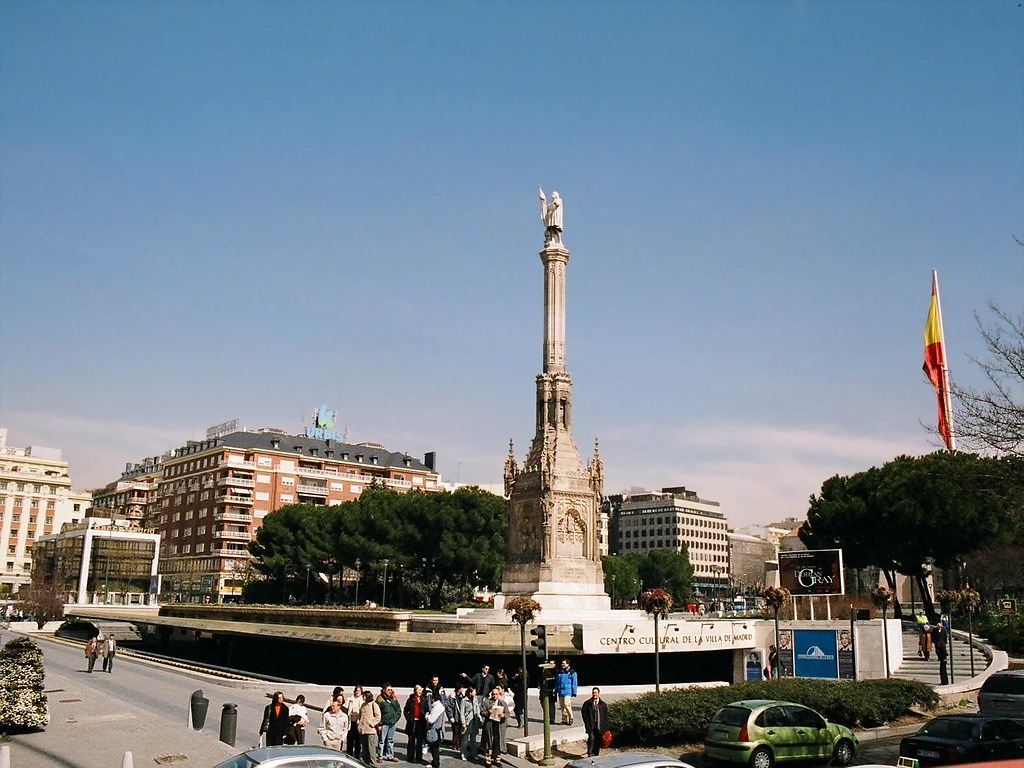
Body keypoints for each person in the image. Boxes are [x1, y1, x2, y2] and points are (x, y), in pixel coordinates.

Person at [481, 685, 511, 766]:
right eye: (493, 694)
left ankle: (497, 759)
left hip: (499, 725)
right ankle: (488, 760)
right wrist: (488, 712)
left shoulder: (503, 703)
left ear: (499, 695)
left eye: (496, 694)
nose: (495, 696)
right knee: (489, 742)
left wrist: (503, 715)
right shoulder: (486, 702)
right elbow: (482, 712)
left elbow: (508, 713)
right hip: (489, 724)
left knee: (498, 742)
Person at [580, 687, 609, 757]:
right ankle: (590, 753)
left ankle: (596, 754)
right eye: (593, 693)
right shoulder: (587, 703)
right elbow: (583, 713)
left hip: (599, 726)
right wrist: (587, 723)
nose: (594, 694)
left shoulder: (603, 704)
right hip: (591, 726)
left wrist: (605, 727)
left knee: (597, 740)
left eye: (595, 693)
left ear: (599, 694)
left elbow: (605, 716)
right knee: (591, 739)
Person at [377, 685, 402, 762]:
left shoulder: (394, 698)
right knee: (382, 741)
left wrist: (395, 719)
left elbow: (398, 710)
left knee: (390, 740)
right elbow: (376, 712)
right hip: (384, 723)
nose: (390, 691)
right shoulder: (379, 699)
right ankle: (380, 756)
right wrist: (379, 723)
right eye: (388, 690)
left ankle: (390, 755)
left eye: (391, 690)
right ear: (384, 690)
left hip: (392, 723)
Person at [404, 684, 428, 763]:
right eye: (418, 690)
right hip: (412, 722)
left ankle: (419, 757)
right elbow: (405, 710)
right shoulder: (411, 699)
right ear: (415, 691)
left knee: (420, 741)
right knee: (411, 740)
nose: (420, 692)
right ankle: (410, 757)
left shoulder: (424, 699)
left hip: (421, 723)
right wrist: (409, 718)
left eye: (421, 690)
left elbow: (427, 709)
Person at [357, 689, 382, 764]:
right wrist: (359, 724)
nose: (363, 697)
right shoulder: (363, 705)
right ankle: (365, 763)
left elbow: (378, 716)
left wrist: (372, 723)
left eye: (364, 696)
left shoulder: (374, 704)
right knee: (364, 749)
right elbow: (360, 715)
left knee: (371, 749)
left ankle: (372, 763)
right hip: (362, 730)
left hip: (370, 730)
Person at [457, 686, 482, 761]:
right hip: (467, 721)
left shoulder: (475, 699)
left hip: (474, 721)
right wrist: (463, 723)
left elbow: (477, 709)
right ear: (470, 692)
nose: (475, 693)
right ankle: (463, 753)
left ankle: (473, 753)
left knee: (473, 739)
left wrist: (480, 718)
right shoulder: (464, 701)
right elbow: (461, 713)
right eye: (474, 691)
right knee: (465, 739)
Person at [424, 689, 447, 768]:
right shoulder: (440, 706)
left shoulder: (436, 707)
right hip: (438, 729)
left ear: (433, 699)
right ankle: (435, 762)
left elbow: (431, 720)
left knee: (434, 748)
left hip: (434, 730)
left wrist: (426, 715)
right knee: (435, 747)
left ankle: (435, 764)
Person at [555, 659, 578, 725]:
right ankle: (564, 720)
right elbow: (557, 682)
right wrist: (556, 690)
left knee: (567, 704)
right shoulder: (560, 672)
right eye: (562, 663)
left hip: (567, 691)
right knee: (562, 706)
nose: (562, 665)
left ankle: (571, 717)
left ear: (568, 664)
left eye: (564, 663)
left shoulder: (572, 672)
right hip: (560, 691)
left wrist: (574, 692)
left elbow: (574, 683)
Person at [346, 685, 365, 759]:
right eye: (356, 690)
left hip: (358, 722)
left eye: (358, 691)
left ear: (361, 692)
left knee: (358, 741)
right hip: (351, 721)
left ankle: (357, 756)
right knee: (350, 739)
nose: (357, 692)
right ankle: (349, 755)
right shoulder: (350, 699)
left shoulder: (362, 700)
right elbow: (345, 708)